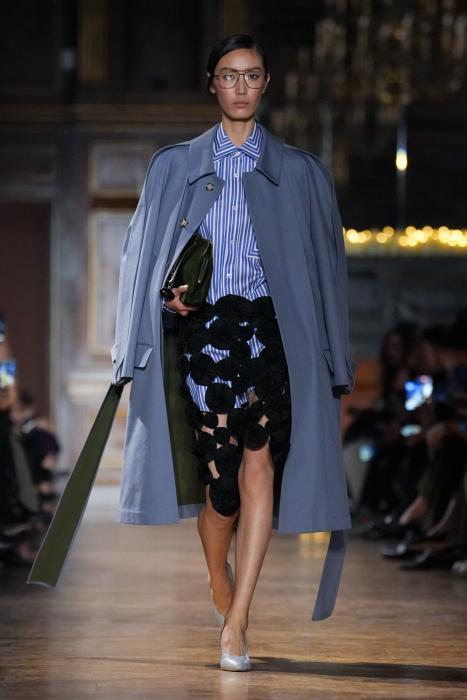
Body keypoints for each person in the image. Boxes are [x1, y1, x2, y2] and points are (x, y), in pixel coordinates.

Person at [111, 33, 355, 672]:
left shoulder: (300, 172)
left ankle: (238, 618)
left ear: (266, 83)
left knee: (259, 463)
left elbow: (328, 267)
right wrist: (162, 302)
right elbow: (143, 255)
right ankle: (219, 579)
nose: (240, 87)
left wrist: (336, 358)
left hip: (274, 333)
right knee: (220, 486)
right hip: (207, 334)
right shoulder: (175, 166)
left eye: (251, 75)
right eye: (229, 75)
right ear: (212, 83)